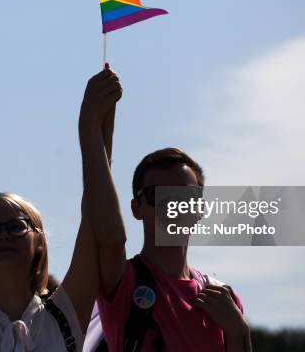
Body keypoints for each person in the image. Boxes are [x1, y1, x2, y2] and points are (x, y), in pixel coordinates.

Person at [0, 64, 122, 352]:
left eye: (16, 226)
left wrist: (93, 127)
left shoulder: (65, 315)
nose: (3, 237)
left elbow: (95, 218)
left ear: (39, 240)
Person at [80, 78, 252, 349]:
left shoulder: (223, 298)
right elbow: (110, 236)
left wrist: (238, 329)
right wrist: (91, 130)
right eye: (158, 195)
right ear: (136, 209)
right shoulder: (123, 281)